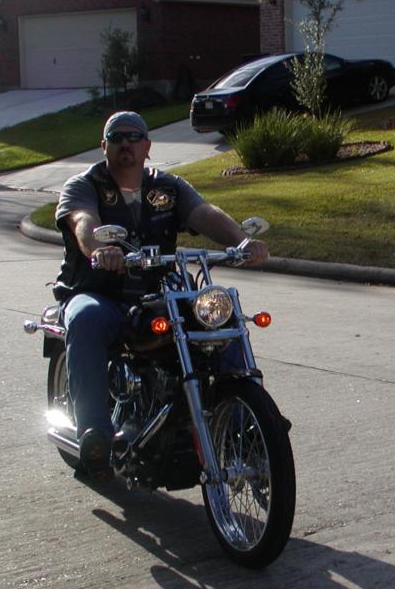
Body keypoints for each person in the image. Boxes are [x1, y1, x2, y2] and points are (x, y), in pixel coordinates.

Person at [53, 111, 268, 480]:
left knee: (222, 317)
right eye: (116, 137)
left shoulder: (167, 187)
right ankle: (96, 435)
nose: (125, 144)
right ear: (104, 145)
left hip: (159, 295)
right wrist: (98, 250)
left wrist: (242, 242)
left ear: (147, 147)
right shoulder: (84, 185)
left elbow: (204, 213)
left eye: (134, 137)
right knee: (85, 318)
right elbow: (82, 222)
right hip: (100, 293)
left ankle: (243, 423)